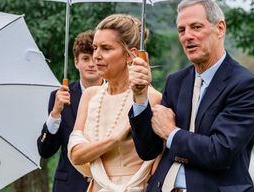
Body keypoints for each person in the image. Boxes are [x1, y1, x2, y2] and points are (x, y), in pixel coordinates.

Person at [128, 0, 254, 192]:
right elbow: (147, 150)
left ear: (220, 28)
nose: (187, 36)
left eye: (196, 27)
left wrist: (171, 132)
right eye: (182, 30)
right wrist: (140, 97)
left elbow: (220, 152)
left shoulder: (246, 85)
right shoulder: (176, 81)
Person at [68, 14, 162, 192]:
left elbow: (156, 162)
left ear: (130, 55)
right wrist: (115, 138)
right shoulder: (89, 95)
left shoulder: (154, 98)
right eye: (95, 48)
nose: (96, 56)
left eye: (106, 48)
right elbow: (75, 155)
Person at [38, 30, 103, 192]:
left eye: (95, 58)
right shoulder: (60, 96)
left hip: (105, 183)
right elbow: (45, 150)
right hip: (69, 185)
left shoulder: (116, 94)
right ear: (76, 62)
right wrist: (55, 113)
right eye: (85, 59)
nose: (91, 64)